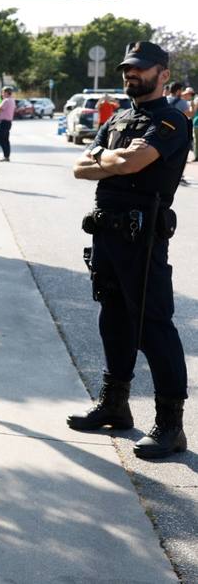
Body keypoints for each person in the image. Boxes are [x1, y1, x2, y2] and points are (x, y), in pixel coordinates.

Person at [68, 42, 193, 458]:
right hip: (106, 234)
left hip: (142, 238)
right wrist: (115, 157)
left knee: (153, 325)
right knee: (113, 319)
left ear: (162, 72)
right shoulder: (121, 116)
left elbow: (137, 164)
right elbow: (78, 167)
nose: (130, 75)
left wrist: (108, 158)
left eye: (139, 69)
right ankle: (115, 405)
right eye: (126, 69)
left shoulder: (172, 119)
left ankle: (171, 425)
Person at [0, 86, 17, 161]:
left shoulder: (6, 100)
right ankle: (6, 156)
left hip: (4, 122)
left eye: (3, 92)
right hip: (8, 122)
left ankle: (6, 156)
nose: (2, 94)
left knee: (1, 138)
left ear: (6, 93)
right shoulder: (12, 100)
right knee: (6, 139)